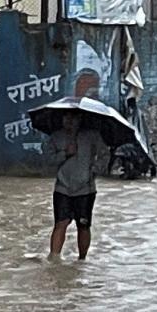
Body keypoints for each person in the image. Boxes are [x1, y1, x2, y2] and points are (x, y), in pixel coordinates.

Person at [47, 111, 114, 262]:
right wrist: (65, 153)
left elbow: (104, 155)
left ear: (80, 119)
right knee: (60, 222)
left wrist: (95, 170)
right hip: (62, 187)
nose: (69, 121)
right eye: (66, 117)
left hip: (85, 188)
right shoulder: (56, 137)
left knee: (83, 225)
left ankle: (82, 259)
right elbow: (48, 161)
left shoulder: (92, 136)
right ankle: (54, 258)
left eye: (73, 117)